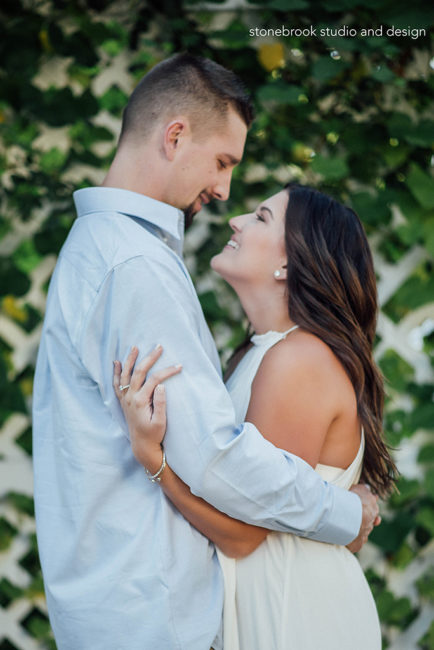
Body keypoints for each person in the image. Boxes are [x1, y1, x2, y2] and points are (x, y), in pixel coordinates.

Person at [32, 53, 379, 650]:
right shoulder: (137, 264)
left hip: (142, 603)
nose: (224, 193)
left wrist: (158, 461)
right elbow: (216, 455)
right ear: (174, 136)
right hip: (151, 610)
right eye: (222, 163)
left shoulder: (105, 248)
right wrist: (347, 514)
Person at [114, 183, 397, 649]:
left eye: (262, 217)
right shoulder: (265, 352)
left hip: (294, 613)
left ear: (289, 263)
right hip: (271, 599)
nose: (235, 220)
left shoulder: (298, 360)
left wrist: (154, 462)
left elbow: (245, 536)